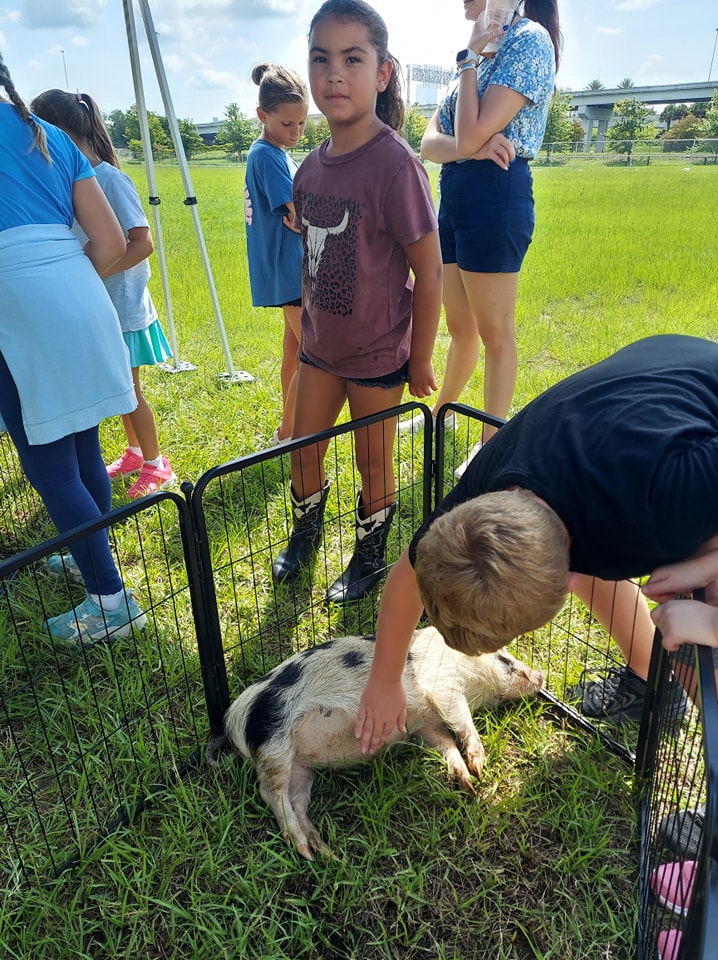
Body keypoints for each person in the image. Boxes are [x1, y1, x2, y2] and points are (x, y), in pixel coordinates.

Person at [355, 334, 718, 752]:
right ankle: (652, 680)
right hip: (655, 393)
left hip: (686, 414)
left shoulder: (666, 503)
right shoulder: (488, 487)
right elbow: (410, 572)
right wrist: (384, 680)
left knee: (699, 625)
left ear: (565, 585)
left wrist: (708, 584)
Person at [270, 0, 443, 604]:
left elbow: (429, 273)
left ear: (383, 72)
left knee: (375, 462)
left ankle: (370, 550)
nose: (334, 74)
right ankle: (306, 531)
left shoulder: (396, 166)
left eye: (352, 59)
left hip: (376, 358)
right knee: (302, 447)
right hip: (319, 350)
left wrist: (419, 361)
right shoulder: (308, 169)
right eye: (321, 59)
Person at [0, 53, 146, 642]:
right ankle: (93, 552)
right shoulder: (49, 133)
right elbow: (111, 240)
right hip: (80, 291)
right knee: (83, 441)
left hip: (16, 305)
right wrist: (60, 282)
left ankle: (109, 599)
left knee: (49, 465)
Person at [402, 0, 559, 472]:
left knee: (495, 332)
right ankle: (442, 412)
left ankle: (493, 446)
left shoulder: (528, 40)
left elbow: (467, 133)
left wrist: (468, 66)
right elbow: (430, 144)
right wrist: (465, 144)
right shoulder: (475, 45)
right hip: (456, 195)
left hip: (497, 193)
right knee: (460, 326)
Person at [31, 89, 175, 499]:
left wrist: (92, 273)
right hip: (101, 309)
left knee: (130, 393)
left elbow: (143, 242)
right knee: (118, 389)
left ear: (61, 134)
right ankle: (133, 452)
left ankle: (155, 463)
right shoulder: (72, 183)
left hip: (124, 311)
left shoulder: (110, 179)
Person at [244, 63, 308, 445]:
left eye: (302, 124)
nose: (296, 132)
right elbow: (297, 217)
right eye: (288, 124)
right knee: (312, 355)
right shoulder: (268, 155)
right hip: (290, 270)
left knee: (295, 348)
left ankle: (289, 426)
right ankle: (290, 431)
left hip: (285, 270)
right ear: (262, 116)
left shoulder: (272, 150)